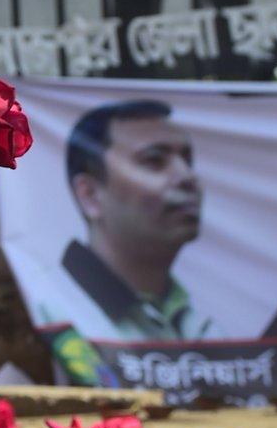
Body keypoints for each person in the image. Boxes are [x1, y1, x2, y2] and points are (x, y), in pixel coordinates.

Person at [41, 100, 219, 386]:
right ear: (90, 195)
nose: (188, 177)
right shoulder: (51, 306)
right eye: (154, 161)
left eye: (187, 160)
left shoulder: (197, 316)